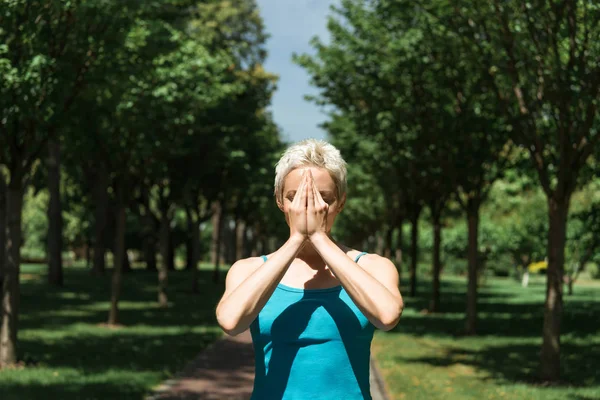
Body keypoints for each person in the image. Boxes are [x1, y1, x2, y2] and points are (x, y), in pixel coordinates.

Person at [215, 139, 403, 399]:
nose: (308, 208)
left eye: (322, 199)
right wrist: (295, 241)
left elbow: (387, 316)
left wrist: (319, 238)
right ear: (280, 201)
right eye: (295, 198)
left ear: (341, 202)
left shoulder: (373, 267)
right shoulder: (248, 270)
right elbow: (231, 322)